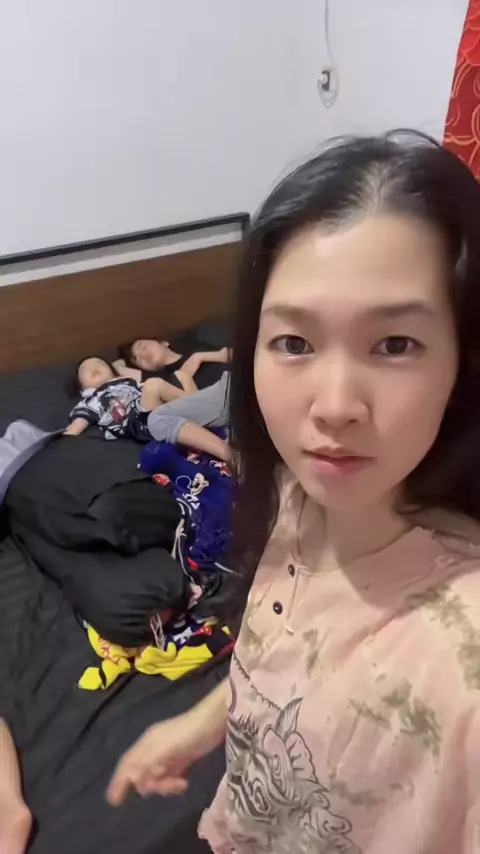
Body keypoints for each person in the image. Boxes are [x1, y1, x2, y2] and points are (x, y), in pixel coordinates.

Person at [106, 132, 480, 854]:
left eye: (395, 344)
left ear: (462, 362)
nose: (335, 406)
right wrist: (198, 725)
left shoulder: (462, 652)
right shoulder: (295, 495)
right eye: (295, 344)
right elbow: (291, 655)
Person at [64, 356, 230, 461]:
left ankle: (205, 419)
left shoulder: (127, 381)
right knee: (153, 384)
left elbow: (121, 363)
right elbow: (75, 428)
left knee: (174, 379)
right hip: (136, 423)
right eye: (85, 369)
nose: (94, 366)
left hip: (153, 408)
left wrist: (116, 370)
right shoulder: (90, 400)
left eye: (99, 363)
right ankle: (207, 416)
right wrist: (62, 442)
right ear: (81, 386)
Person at [116, 339, 230, 390]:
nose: (142, 355)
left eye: (143, 347)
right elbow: (115, 367)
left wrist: (200, 357)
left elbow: (235, 354)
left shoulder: (198, 348)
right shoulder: (159, 380)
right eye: (138, 359)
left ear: (164, 343)